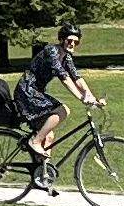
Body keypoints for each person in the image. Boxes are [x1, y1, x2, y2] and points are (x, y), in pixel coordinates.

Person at [14, 23, 96, 189]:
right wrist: (81, 97)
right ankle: (35, 141)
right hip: (27, 91)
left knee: (49, 136)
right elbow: (64, 77)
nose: (72, 44)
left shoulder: (66, 57)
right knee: (63, 110)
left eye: (76, 42)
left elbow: (77, 77)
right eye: (69, 40)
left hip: (36, 92)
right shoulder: (52, 51)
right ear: (62, 39)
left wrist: (92, 97)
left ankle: (42, 177)